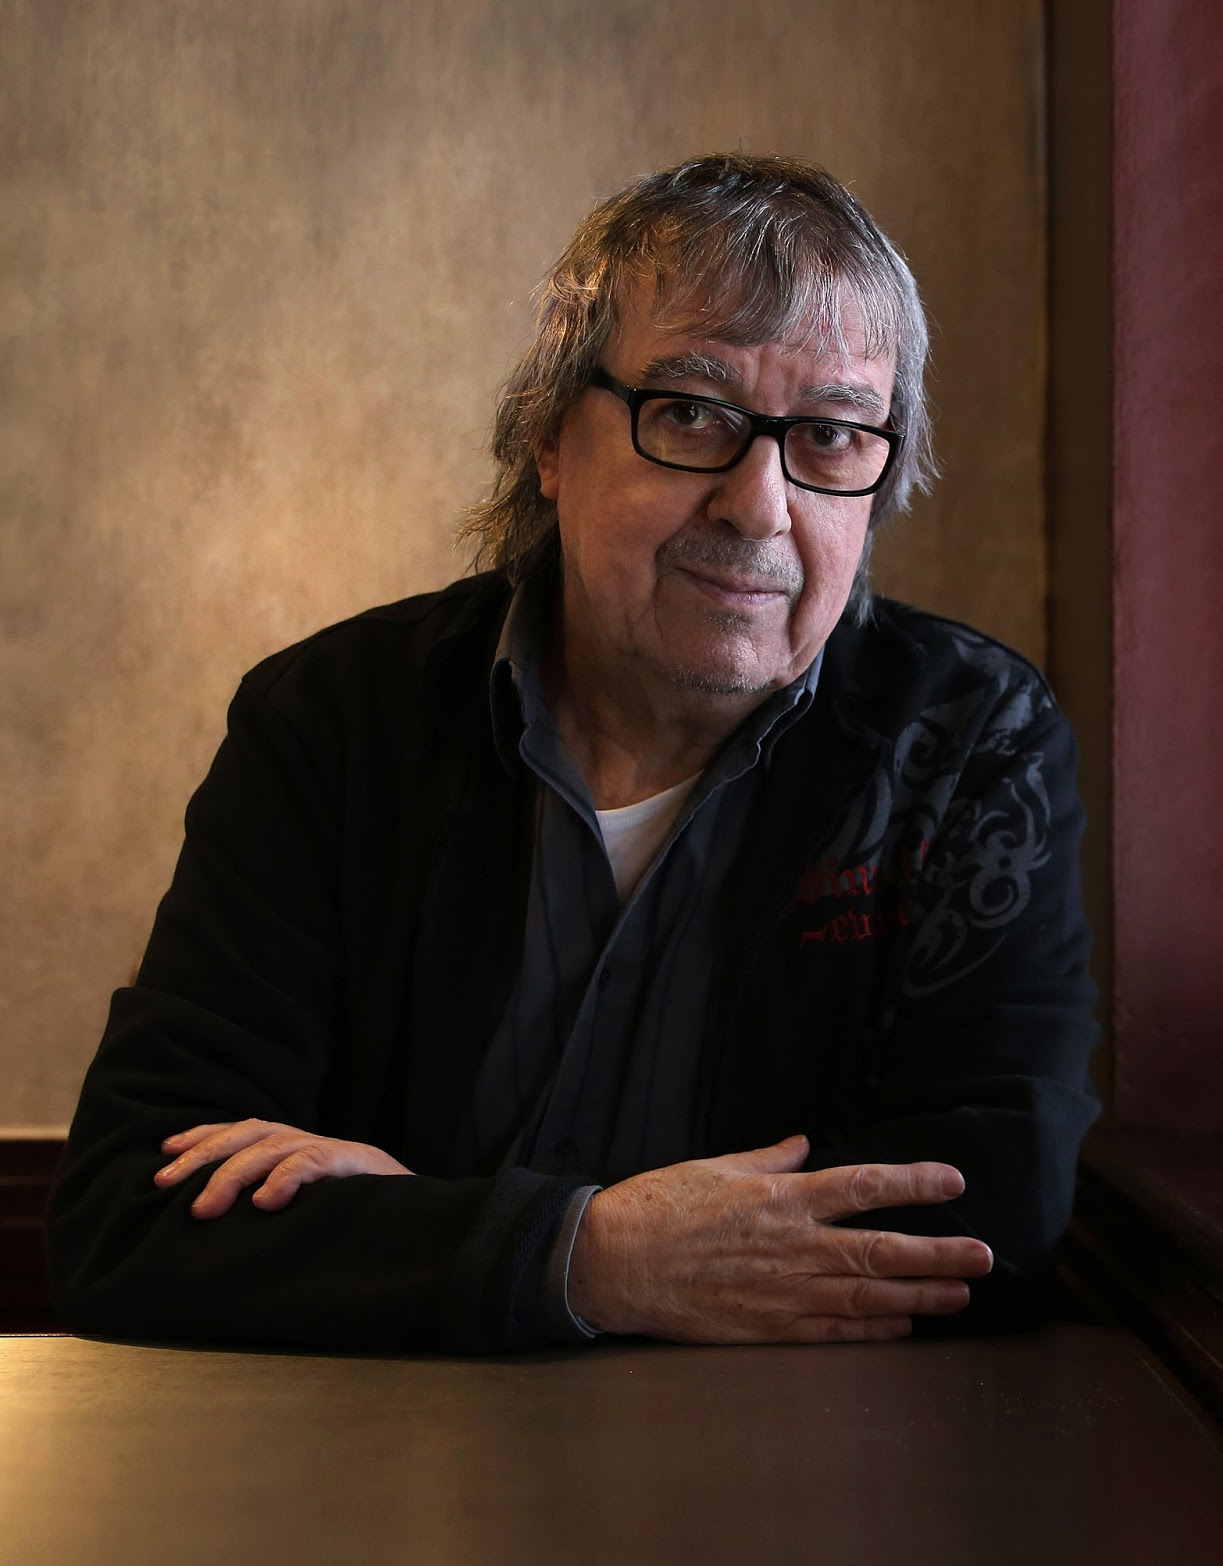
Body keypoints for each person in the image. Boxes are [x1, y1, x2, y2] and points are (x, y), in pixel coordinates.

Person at [50, 153, 1099, 1353]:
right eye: (690, 413)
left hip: (785, 1455)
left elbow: (989, 1221)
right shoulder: (333, 721)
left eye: (827, 434)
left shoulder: (967, 741)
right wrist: (587, 1255)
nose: (759, 505)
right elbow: (130, 1218)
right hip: (392, 1457)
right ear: (550, 438)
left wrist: (410, 1229)